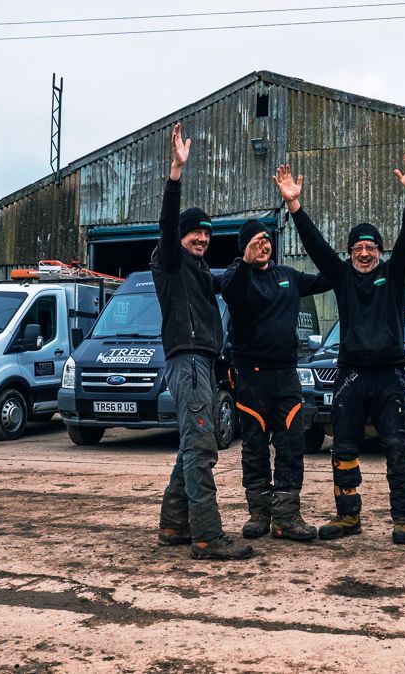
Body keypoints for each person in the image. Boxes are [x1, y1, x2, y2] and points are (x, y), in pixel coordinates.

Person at [271, 152, 405, 544]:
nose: (363, 252)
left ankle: (403, 519)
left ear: (379, 250)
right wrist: (295, 205)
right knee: (342, 447)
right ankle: (348, 517)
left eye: (370, 246)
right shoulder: (340, 275)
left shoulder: (394, 274)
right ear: (350, 252)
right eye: (356, 247)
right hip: (350, 375)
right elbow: (316, 245)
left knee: (396, 447)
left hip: (390, 373)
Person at [152, 122, 252, 561]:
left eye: (208, 234)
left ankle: (174, 525)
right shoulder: (169, 261)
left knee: (192, 446)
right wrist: (176, 173)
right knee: (202, 448)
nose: (203, 238)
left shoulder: (200, 273)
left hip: (203, 364)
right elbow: (168, 222)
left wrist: (245, 260)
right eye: (196, 232)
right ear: (180, 235)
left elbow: (225, 278)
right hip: (187, 361)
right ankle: (207, 536)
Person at [221, 220, 330, 542]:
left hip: (286, 375)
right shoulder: (236, 274)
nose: (263, 245)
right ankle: (259, 513)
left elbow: (329, 277)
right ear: (243, 247)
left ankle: (286, 515)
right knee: (254, 446)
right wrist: (244, 261)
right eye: (255, 241)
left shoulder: (288, 277)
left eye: (266, 240)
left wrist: (331, 255)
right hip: (250, 376)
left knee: (291, 444)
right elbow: (232, 294)